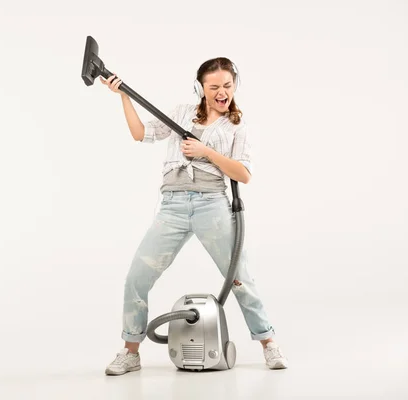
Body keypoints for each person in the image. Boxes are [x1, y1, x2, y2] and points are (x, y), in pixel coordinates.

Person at [100, 57, 288, 375]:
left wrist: (207, 153)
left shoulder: (235, 127)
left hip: (211, 205)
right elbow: (140, 134)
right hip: (172, 207)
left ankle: (268, 343)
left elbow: (243, 174)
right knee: (136, 279)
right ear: (200, 87)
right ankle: (130, 352)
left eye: (227, 86)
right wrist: (124, 97)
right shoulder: (181, 113)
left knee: (239, 278)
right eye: (213, 86)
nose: (221, 92)